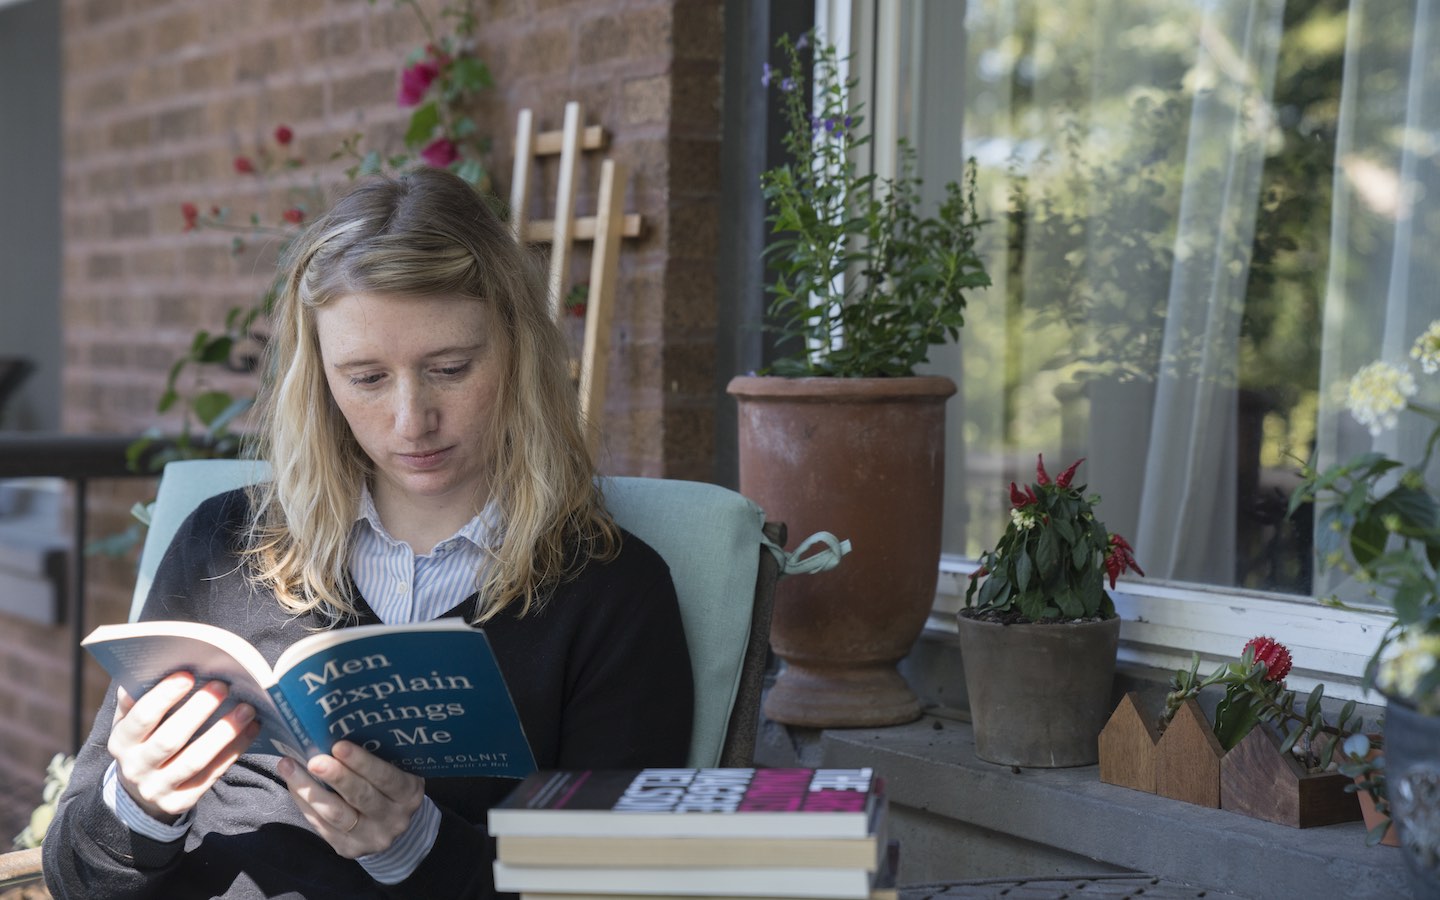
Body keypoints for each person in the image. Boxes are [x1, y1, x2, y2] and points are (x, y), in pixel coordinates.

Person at [43, 167, 695, 898]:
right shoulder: (220, 547)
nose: (412, 420)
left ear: (517, 355)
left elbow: (621, 884)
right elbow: (76, 877)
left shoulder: (610, 593)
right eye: (366, 377)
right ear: (318, 376)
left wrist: (417, 850)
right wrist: (141, 805)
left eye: (450, 368)